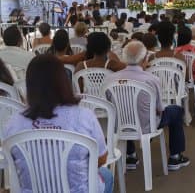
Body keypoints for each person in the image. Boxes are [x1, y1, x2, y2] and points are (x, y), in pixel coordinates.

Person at [4, 55, 113, 193]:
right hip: (77, 190)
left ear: (29, 85)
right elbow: (102, 158)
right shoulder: (84, 116)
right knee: (107, 176)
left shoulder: (14, 122)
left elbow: (11, 161)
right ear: (63, 81)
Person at [104, 41, 190, 171]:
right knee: (176, 111)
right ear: (144, 59)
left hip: (119, 125)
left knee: (126, 111)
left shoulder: (110, 79)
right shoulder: (151, 79)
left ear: (124, 58)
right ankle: (175, 157)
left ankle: (130, 155)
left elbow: (110, 106)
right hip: (147, 125)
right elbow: (160, 109)